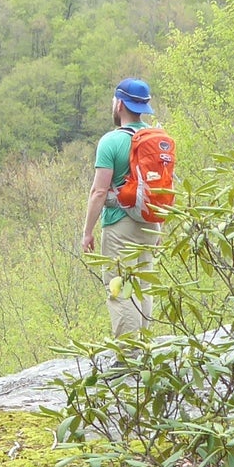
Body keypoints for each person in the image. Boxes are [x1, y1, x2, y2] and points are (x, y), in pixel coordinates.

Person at [82, 77, 164, 336]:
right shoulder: (158, 140)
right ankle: (146, 346)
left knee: (120, 284)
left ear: (119, 105)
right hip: (151, 223)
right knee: (143, 282)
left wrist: (87, 232)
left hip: (120, 223)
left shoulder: (111, 142)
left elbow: (98, 192)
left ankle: (129, 355)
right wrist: (160, 225)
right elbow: (162, 188)